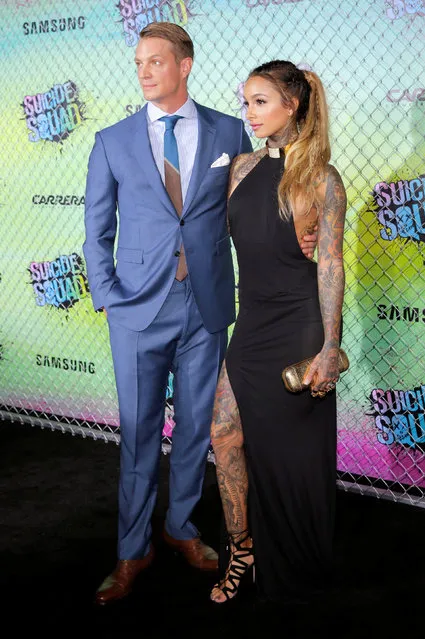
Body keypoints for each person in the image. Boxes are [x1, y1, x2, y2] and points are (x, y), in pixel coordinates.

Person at [83, 24, 317, 606]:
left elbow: (263, 194)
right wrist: (110, 296)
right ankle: (132, 549)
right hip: (137, 310)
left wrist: (305, 228)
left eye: (156, 61)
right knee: (139, 435)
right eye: (138, 61)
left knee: (195, 429)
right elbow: (96, 231)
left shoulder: (229, 129)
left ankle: (182, 528)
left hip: (206, 306)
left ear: (185, 65)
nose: (143, 71)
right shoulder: (111, 141)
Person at [209, 60, 346, 606]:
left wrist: (330, 346)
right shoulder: (240, 168)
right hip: (252, 323)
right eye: (246, 102)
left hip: (298, 325)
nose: (250, 113)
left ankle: (291, 559)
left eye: (261, 101)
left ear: (293, 105)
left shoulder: (321, 178)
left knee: (291, 453)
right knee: (224, 435)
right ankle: (242, 549)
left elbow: (331, 264)